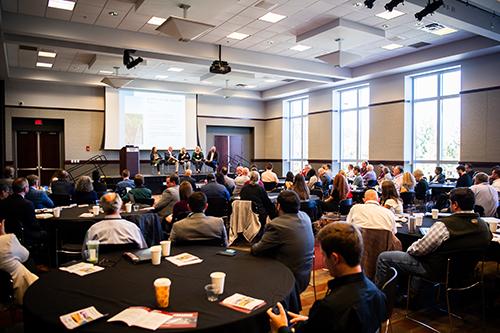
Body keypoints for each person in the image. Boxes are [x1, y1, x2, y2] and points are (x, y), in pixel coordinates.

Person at [267, 222, 387, 333]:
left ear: (335, 258)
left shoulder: (328, 308)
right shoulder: (377, 294)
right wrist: (313, 321)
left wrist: (281, 327)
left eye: (324, 255)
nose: (324, 261)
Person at [375, 188, 492, 287]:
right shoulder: (484, 226)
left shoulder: (445, 226)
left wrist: (409, 248)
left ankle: (383, 299)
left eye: (450, 203)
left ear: (455, 205)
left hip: (436, 271)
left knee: (384, 257)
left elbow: (418, 250)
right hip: (466, 272)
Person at [252, 191, 314, 311]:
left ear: (278, 206)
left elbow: (257, 250)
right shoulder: (305, 217)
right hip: (305, 275)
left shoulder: (277, 225)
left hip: (287, 279)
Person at [0, 218, 38, 305]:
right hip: (16, 290)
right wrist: (4, 235)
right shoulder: (7, 240)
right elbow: (25, 255)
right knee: (29, 261)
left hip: (4, 290)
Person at [0, 178, 44, 244]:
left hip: (7, 234)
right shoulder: (27, 204)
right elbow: (33, 225)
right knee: (46, 233)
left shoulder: (4, 202)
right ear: (25, 188)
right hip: (24, 235)